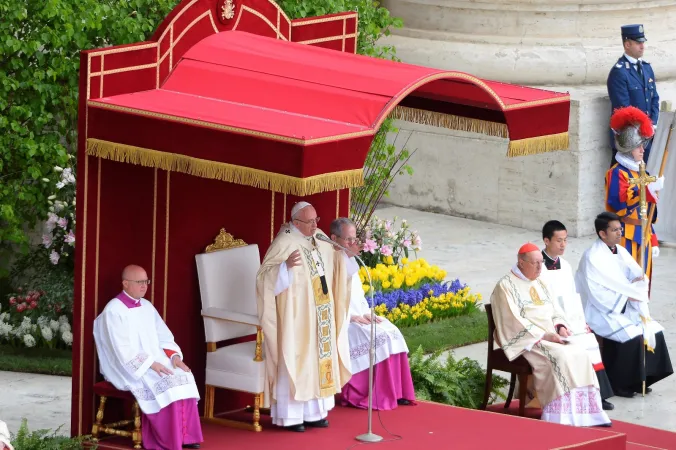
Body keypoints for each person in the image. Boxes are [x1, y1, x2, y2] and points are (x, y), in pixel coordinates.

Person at [490, 243, 610, 427]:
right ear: (521, 263)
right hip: (530, 340)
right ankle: (560, 416)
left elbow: (554, 310)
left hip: (553, 336)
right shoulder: (505, 286)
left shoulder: (540, 282)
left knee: (581, 353)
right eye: (535, 263)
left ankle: (586, 413)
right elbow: (512, 320)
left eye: (541, 263)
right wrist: (545, 336)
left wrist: (560, 326)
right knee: (561, 357)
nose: (540, 267)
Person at [256, 202, 351, 432]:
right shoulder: (284, 242)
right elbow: (263, 279)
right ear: (296, 223)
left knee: (317, 361)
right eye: (310, 222)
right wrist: (284, 268)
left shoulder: (318, 237)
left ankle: (315, 414)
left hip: (320, 314)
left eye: (316, 220)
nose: (316, 225)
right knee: (297, 360)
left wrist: (346, 254)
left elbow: (335, 260)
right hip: (296, 318)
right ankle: (291, 418)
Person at [93, 265, 202, 450]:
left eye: (146, 281)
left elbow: (164, 336)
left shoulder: (147, 306)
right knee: (163, 379)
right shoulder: (114, 311)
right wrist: (151, 364)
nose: (144, 286)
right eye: (139, 282)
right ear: (125, 284)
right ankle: (167, 439)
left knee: (184, 375)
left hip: (156, 359)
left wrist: (174, 357)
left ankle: (186, 436)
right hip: (129, 366)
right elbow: (122, 350)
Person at [576, 212, 673, 398]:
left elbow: (635, 274)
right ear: (602, 234)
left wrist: (639, 281)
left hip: (625, 306)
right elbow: (597, 294)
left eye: (620, 229)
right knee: (632, 335)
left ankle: (642, 379)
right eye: (615, 230)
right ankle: (619, 384)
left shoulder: (620, 250)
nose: (620, 233)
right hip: (602, 310)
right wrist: (627, 297)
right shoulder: (592, 257)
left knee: (653, 330)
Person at [329, 218, 415, 410]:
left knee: (390, 330)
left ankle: (397, 392)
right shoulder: (329, 262)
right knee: (376, 336)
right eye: (348, 240)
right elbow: (331, 299)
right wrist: (351, 317)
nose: (353, 244)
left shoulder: (351, 260)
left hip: (359, 315)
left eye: (354, 239)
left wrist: (367, 312)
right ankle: (372, 394)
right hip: (341, 320)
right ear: (334, 238)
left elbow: (357, 296)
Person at [539, 220, 615, 410]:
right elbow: (541, 301)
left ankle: (598, 394)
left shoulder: (564, 265)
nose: (563, 245)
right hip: (550, 322)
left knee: (590, 341)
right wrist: (559, 324)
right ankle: (580, 393)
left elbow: (573, 296)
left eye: (565, 240)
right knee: (579, 345)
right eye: (559, 241)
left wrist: (582, 322)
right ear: (546, 240)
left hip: (570, 318)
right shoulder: (537, 266)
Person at [605, 106, 664, 280]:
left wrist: (653, 239)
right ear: (628, 147)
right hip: (624, 235)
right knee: (627, 281)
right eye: (639, 146)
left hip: (644, 234)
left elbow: (648, 212)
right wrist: (645, 190)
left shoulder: (642, 172)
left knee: (643, 281)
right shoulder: (616, 173)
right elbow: (619, 204)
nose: (643, 150)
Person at [607, 24, 660, 164]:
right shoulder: (619, 72)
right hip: (630, 139)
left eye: (643, 42)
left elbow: (654, 98)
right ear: (627, 44)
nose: (642, 46)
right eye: (638, 43)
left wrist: (652, 124)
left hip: (647, 135)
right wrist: (644, 128)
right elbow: (624, 110)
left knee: (645, 180)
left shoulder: (647, 68)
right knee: (625, 181)